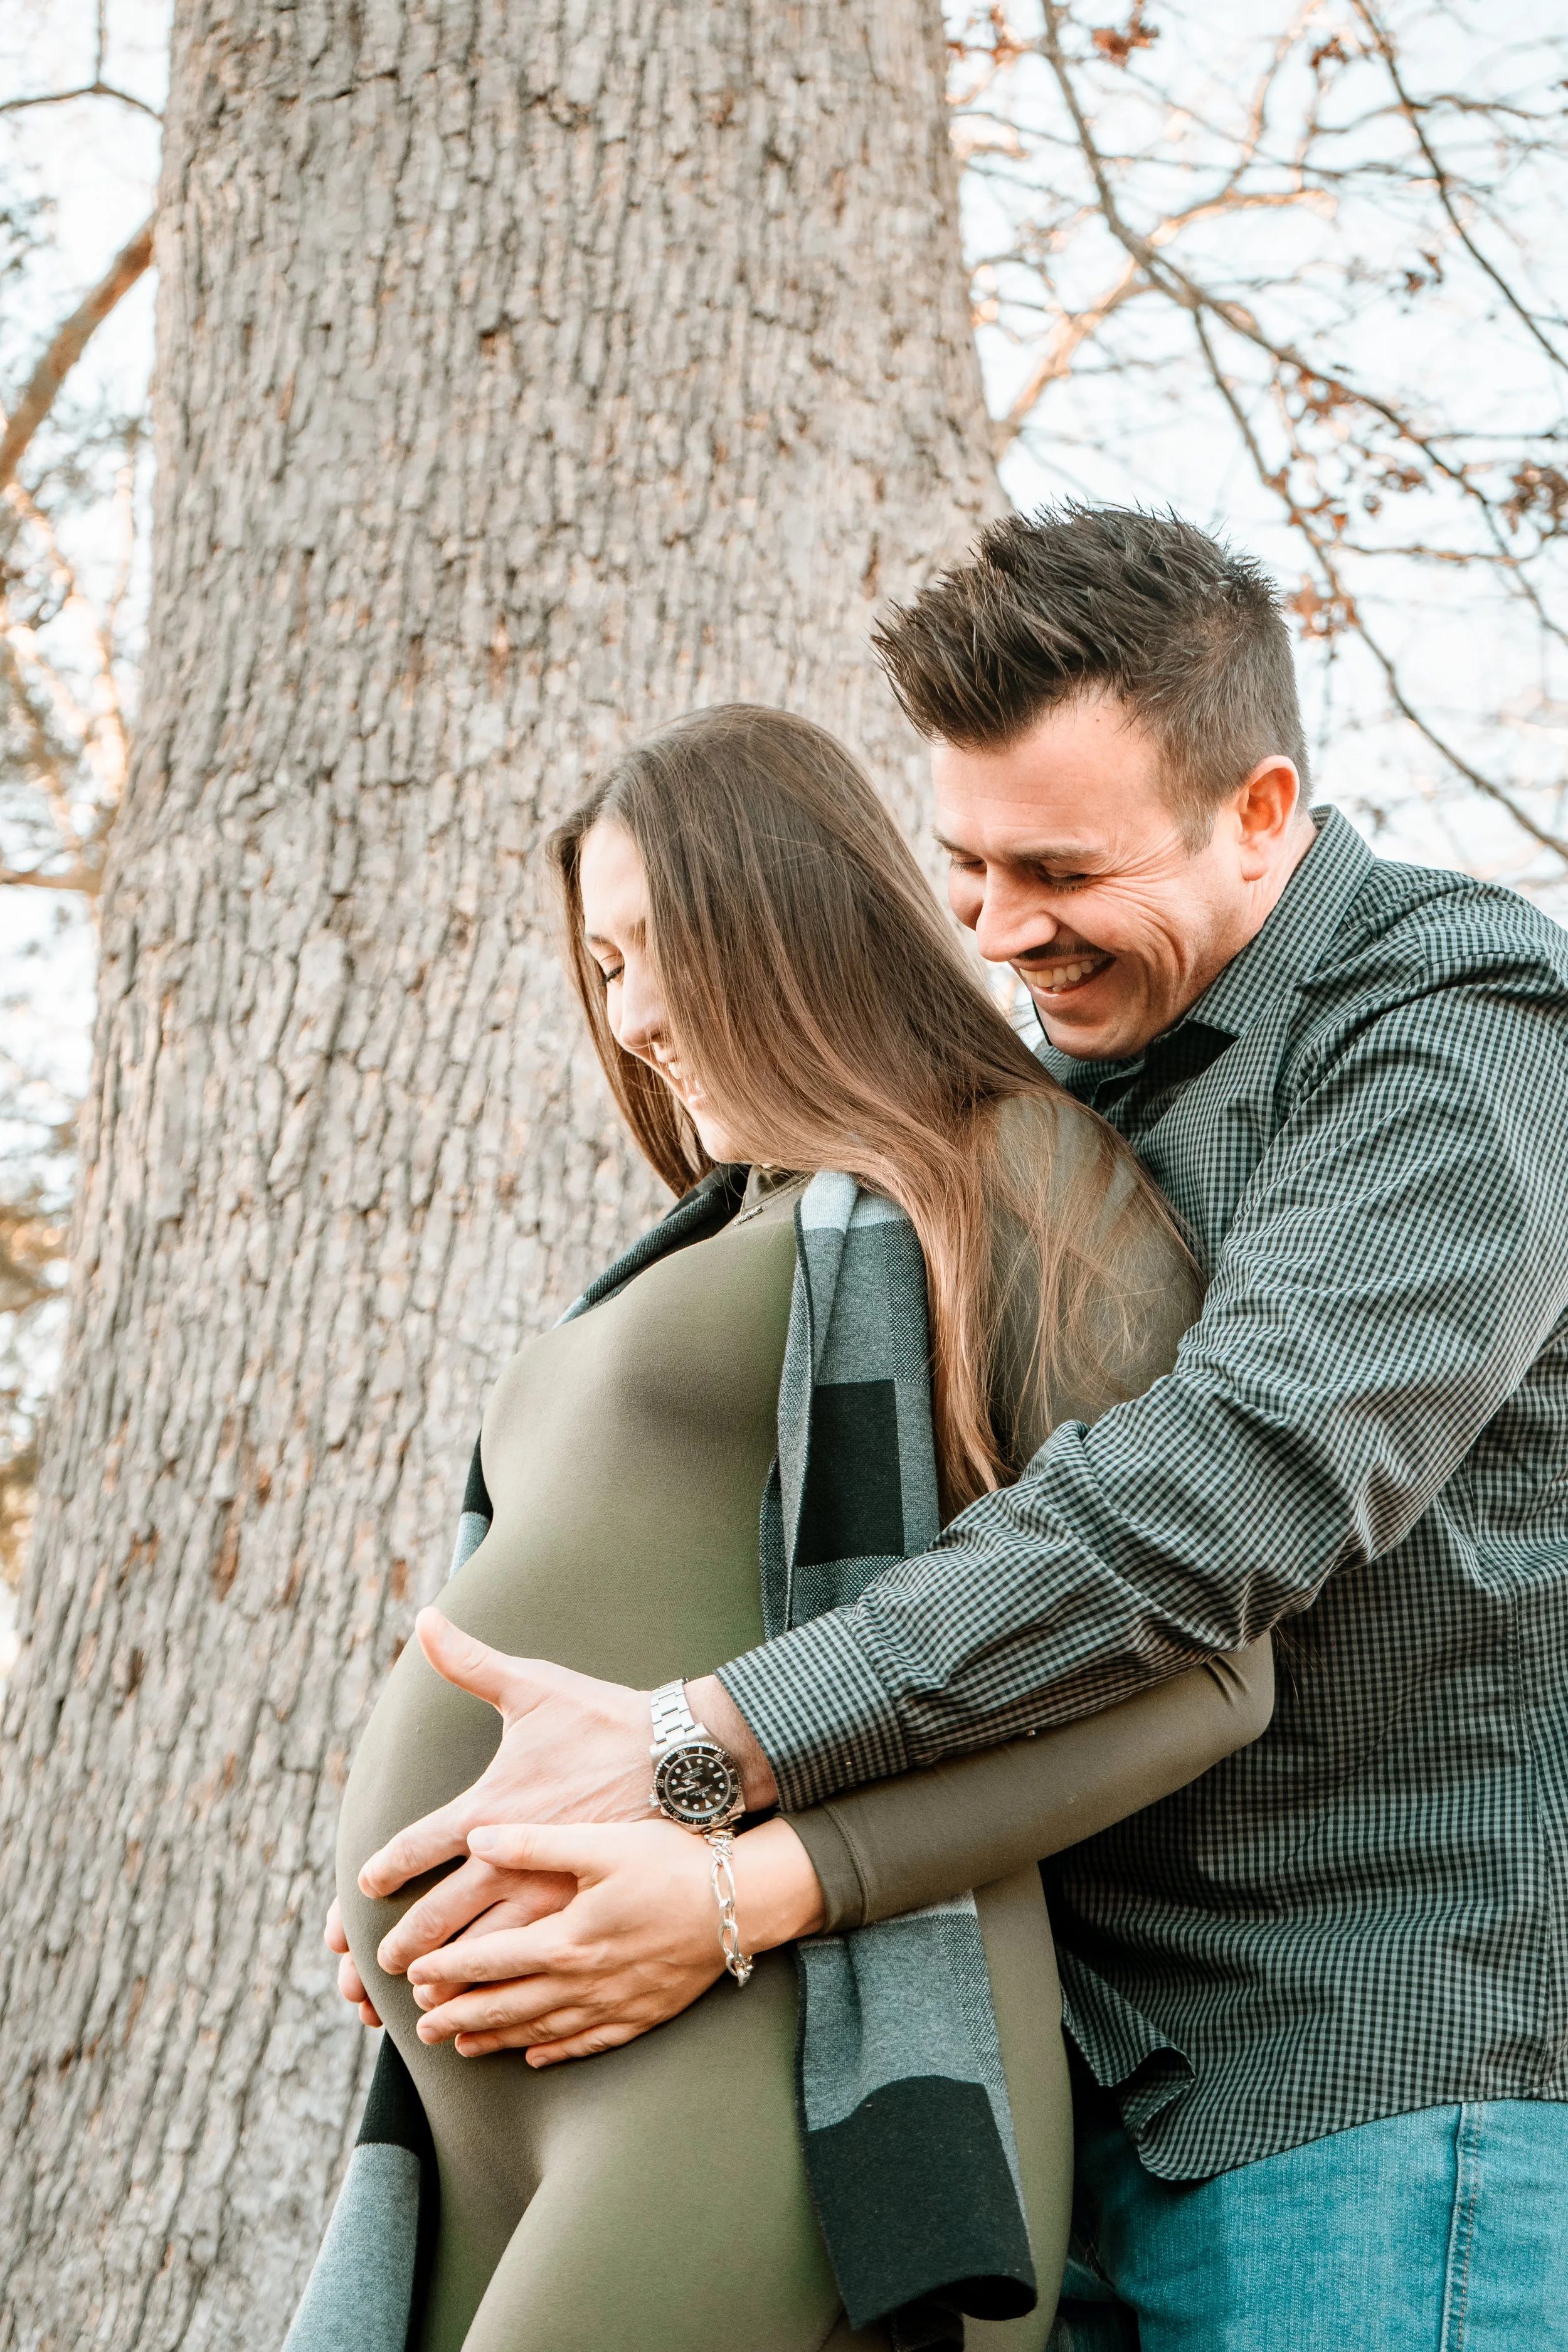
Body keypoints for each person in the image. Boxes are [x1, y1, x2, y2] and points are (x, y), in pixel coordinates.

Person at [346, 508, 1568, 2351]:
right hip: (1057, 2083)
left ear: (1258, 809)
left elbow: (1224, 1492)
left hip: (1369, 2083)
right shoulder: (1026, 1115)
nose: (1002, 930)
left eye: (1057, 867)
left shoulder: (1447, 1028)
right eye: (966, 866)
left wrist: (705, 1765)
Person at [294, 703, 1271, 2352]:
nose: (633, 1009)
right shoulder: (688, 1242)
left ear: (782, 911)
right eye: (599, 966)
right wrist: (409, 1865)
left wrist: (765, 1874)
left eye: (652, 945)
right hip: (481, 2069)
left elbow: (1202, 1675)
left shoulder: (1005, 1169)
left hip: (763, 2027)